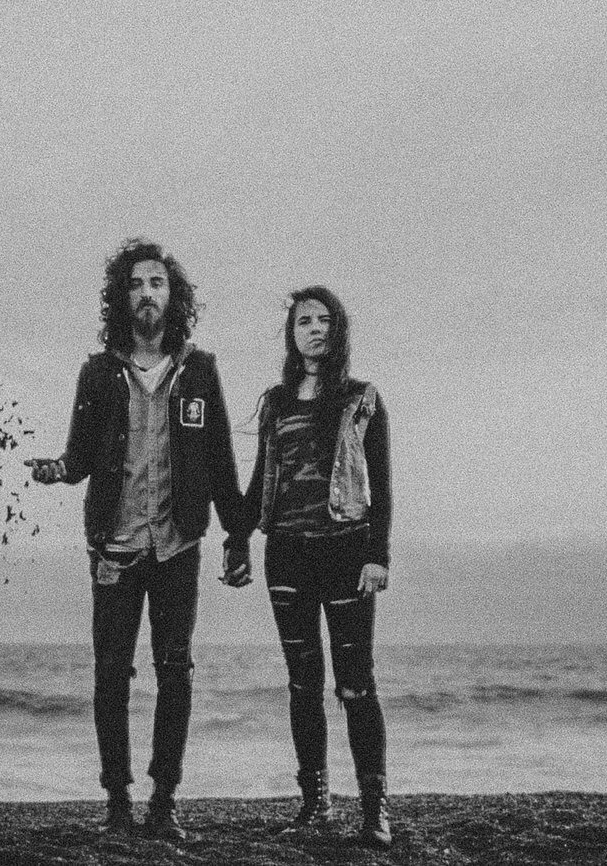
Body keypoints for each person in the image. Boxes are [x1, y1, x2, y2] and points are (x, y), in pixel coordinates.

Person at [26, 237, 252, 840]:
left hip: (178, 545)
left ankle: (165, 801)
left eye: (156, 283)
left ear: (172, 295)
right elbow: (79, 458)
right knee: (110, 673)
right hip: (116, 546)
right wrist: (56, 469)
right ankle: (118, 802)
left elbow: (221, 460)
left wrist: (237, 535)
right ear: (120, 298)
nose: (146, 293)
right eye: (134, 284)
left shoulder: (199, 371)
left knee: (174, 671)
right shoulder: (97, 373)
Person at [241, 284, 395, 848]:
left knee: (355, 686)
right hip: (287, 555)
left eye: (325, 320)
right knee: (304, 686)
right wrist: (236, 538)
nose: (315, 329)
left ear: (339, 329)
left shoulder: (362, 398)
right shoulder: (276, 403)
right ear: (292, 332)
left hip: (347, 554)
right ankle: (315, 805)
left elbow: (381, 484)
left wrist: (379, 555)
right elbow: (261, 482)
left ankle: (375, 809)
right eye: (305, 321)